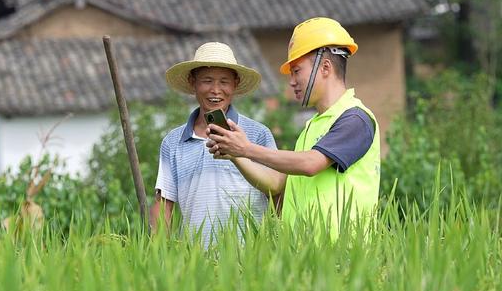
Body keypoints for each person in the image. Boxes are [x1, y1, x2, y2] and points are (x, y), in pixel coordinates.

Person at [206, 17, 380, 237]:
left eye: (296, 71)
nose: (291, 81)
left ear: (325, 67)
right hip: (305, 255)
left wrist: (246, 148)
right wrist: (235, 153)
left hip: (342, 257)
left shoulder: (355, 118)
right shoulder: (313, 127)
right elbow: (277, 183)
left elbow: (310, 164)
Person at [149, 42, 277, 245]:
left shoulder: (257, 134)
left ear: (235, 84)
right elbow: (164, 203)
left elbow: (276, 191)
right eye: (207, 81)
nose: (215, 90)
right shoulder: (173, 142)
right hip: (194, 258)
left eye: (224, 82)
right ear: (193, 82)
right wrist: (157, 251)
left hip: (250, 257)